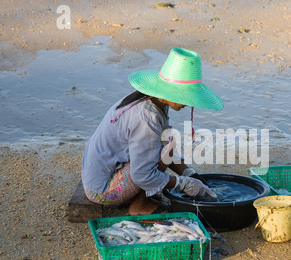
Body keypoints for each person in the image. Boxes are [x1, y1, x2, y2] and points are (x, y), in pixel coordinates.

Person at [81, 48, 224, 215]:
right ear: (168, 92)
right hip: (102, 189)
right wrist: (183, 183)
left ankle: (139, 196)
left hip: (97, 173)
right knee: (164, 145)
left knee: (166, 140)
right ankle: (140, 205)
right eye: (186, 96)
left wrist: (190, 173)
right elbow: (142, 174)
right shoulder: (146, 118)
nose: (188, 103)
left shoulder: (151, 100)